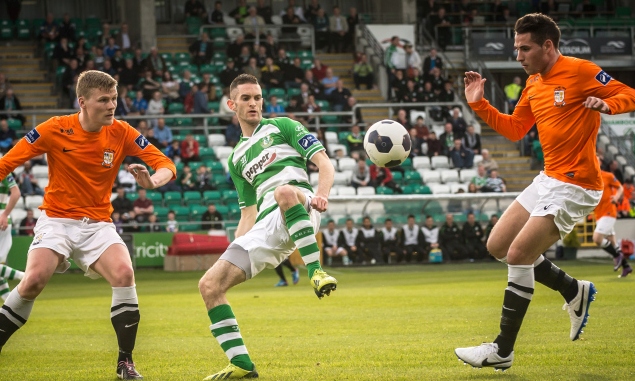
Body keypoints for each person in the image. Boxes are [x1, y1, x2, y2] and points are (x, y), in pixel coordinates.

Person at [456, 13, 635, 371]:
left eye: (525, 48)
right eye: (516, 48)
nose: (518, 56)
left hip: (578, 183)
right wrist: (479, 103)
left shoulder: (582, 70)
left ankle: (502, 350)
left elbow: (628, 93)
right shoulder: (534, 83)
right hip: (548, 179)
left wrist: (607, 104)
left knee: (520, 254)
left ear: (548, 46)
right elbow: (515, 129)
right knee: (498, 247)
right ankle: (573, 290)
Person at [0, 70, 176, 379]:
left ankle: (125, 362)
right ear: (83, 102)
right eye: (104, 100)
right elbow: (6, 164)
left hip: (97, 224)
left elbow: (166, 165)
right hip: (57, 220)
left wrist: (152, 182)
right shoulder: (54, 129)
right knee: (34, 280)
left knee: (124, 273)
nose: (112, 106)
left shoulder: (121, 131)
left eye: (115, 99)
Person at [197, 74, 337, 379]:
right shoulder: (235, 158)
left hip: (301, 202)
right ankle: (241, 364)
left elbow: (325, 164)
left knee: (284, 191)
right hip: (265, 225)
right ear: (232, 105)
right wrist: (234, 249)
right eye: (246, 98)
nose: (254, 103)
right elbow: (248, 213)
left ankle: (316, 272)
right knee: (209, 285)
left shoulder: (283, 126)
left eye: (258, 97)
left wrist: (322, 195)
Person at [592, 157, 632, 277]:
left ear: (600, 163)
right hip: (599, 214)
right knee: (613, 244)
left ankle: (617, 256)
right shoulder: (590, 179)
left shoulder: (608, 176)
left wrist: (616, 197)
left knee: (597, 239)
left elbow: (620, 187)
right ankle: (626, 267)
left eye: (596, 160)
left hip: (609, 213)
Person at [0, 173, 24, 300]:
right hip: (3, 219)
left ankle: (24, 277)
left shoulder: (1, 168)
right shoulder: (3, 168)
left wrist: (4, 214)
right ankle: (10, 305)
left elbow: (16, 193)